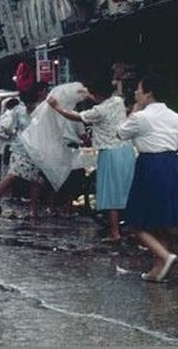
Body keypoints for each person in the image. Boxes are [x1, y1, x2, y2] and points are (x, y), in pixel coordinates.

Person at [117, 74, 178, 282]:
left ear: (149, 93)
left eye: (138, 89)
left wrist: (134, 111)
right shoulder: (175, 117)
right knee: (163, 221)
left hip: (150, 166)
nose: (136, 93)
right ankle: (158, 268)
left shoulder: (140, 117)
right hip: (172, 165)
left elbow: (120, 133)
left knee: (135, 221)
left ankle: (164, 257)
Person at [48, 78, 136, 243]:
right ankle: (131, 229)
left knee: (111, 194)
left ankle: (115, 233)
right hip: (126, 151)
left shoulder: (98, 111)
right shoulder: (118, 101)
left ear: (97, 95)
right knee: (127, 190)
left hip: (110, 153)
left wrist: (57, 107)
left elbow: (76, 116)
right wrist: (89, 93)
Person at [0, 90, 49, 218]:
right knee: (13, 173)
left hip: (37, 149)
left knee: (36, 180)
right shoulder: (18, 111)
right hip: (20, 147)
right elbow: (12, 128)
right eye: (28, 103)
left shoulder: (42, 111)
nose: (30, 106)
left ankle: (33, 210)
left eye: (32, 103)